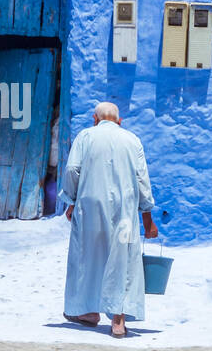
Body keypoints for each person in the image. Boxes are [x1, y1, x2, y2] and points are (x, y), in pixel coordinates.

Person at [60, 102, 159, 338]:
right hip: (124, 209)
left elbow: (73, 169)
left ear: (95, 118)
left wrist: (71, 201)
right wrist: (147, 218)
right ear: (120, 121)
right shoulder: (132, 139)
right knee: (121, 259)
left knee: (88, 257)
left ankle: (89, 312)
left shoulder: (85, 136)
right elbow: (142, 179)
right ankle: (118, 320)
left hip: (89, 206)